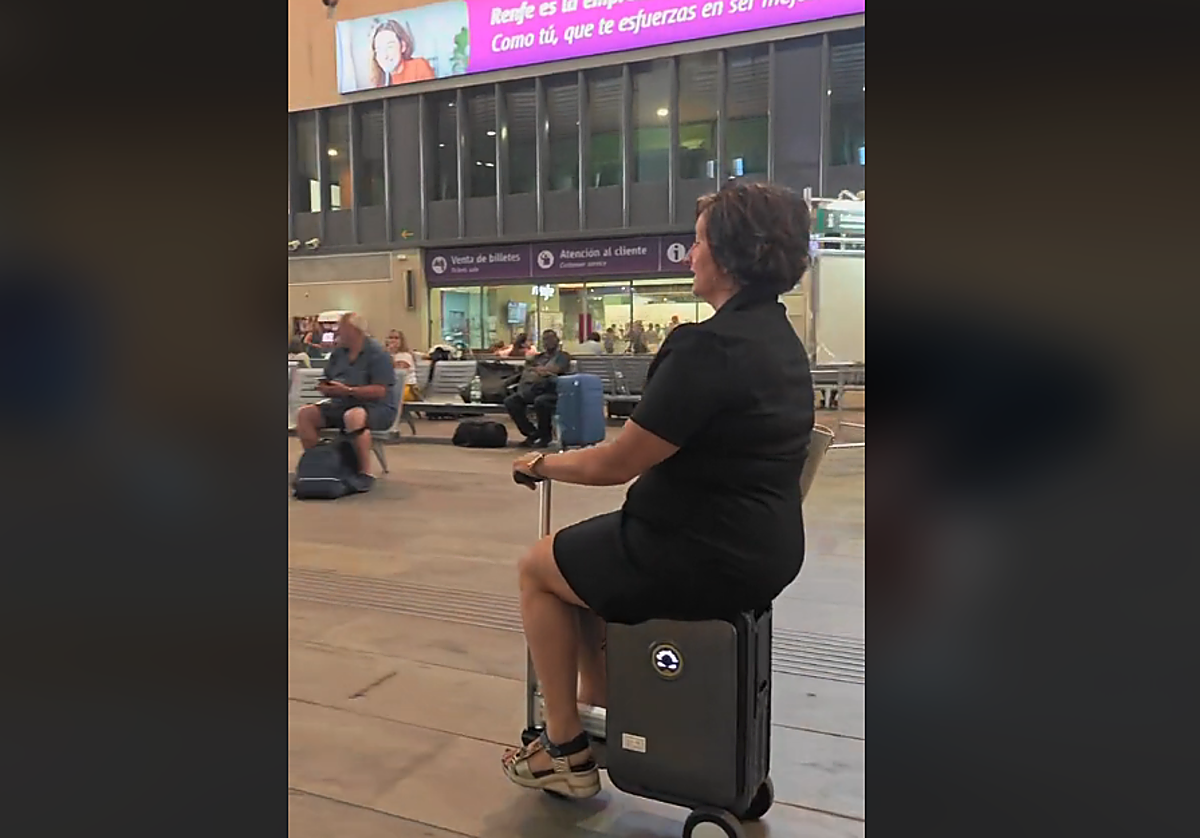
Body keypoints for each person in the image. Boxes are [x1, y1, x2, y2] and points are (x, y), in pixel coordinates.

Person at [500, 182, 815, 798]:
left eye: (697, 243)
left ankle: (563, 748)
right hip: (767, 548)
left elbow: (619, 462)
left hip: (696, 549)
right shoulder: (779, 340)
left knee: (538, 568)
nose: (688, 255)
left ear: (728, 253)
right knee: (581, 562)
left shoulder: (709, 347)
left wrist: (543, 463)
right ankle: (598, 705)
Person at [295, 313, 398, 483]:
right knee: (305, 414)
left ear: (354, 331)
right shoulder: (338, 354)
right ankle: (318, 465)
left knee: (353, 416)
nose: (337, 332)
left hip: (376, 408)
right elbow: (327, 377)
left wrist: (349, 391)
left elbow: (380, 391)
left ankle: (364, 473)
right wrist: (326, 387)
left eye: (341, 328)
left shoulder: (378, 354)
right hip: (341, 403)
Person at [503, 330, 571, 449]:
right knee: (511, 401)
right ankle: (532, 433)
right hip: (534, 389)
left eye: (550, 338)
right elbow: (528, 369)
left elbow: (554, 370)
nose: (548, 342)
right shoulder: (538, 357)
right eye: (545, 339)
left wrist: (539, 370)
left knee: (541, 402)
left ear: (557, 340)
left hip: (553, 391)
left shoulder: (562, 356)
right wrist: (539, 370)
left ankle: (545, 436)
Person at [368, 19, 435, 87]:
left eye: (390, 47)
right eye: (379, 50)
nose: (385, 56)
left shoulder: (419, 66)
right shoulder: (379, 81)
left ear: (403, 46)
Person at [385, 329, 421, 401]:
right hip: (391, 387)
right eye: (390, 338)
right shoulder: (385, 355)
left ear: (402, 341)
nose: (393, 340)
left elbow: (398, 372)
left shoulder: (405, 355)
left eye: (396, 338)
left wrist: (388, 354)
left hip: (407, 388)